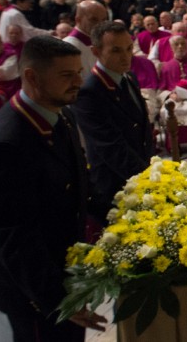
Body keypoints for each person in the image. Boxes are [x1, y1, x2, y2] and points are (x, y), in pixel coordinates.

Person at [0, 36, 107, 341]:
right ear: (31, 76)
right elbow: (14, 237)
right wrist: (58, 300)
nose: (78, 81)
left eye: (78, 72)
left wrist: (123, 219)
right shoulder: (3, 145)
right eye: (66, 75)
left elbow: (81, 186)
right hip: (34, 293)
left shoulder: (61, 114)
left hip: (65, 271)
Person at [72, 21, 154, 225]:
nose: (126, 56)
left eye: (128, 48)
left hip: (140, 173)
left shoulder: (128, 77)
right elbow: (110, 147)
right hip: (116, 183)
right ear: (96, 51)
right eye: (116, 50)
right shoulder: (89, 92)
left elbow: (141, 130)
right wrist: (148, 178)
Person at [63, 0, 108, 75]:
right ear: (78, 19)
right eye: (94, 19)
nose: (100, 24)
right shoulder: (67, 46)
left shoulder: (101, 40)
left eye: (103, 20)